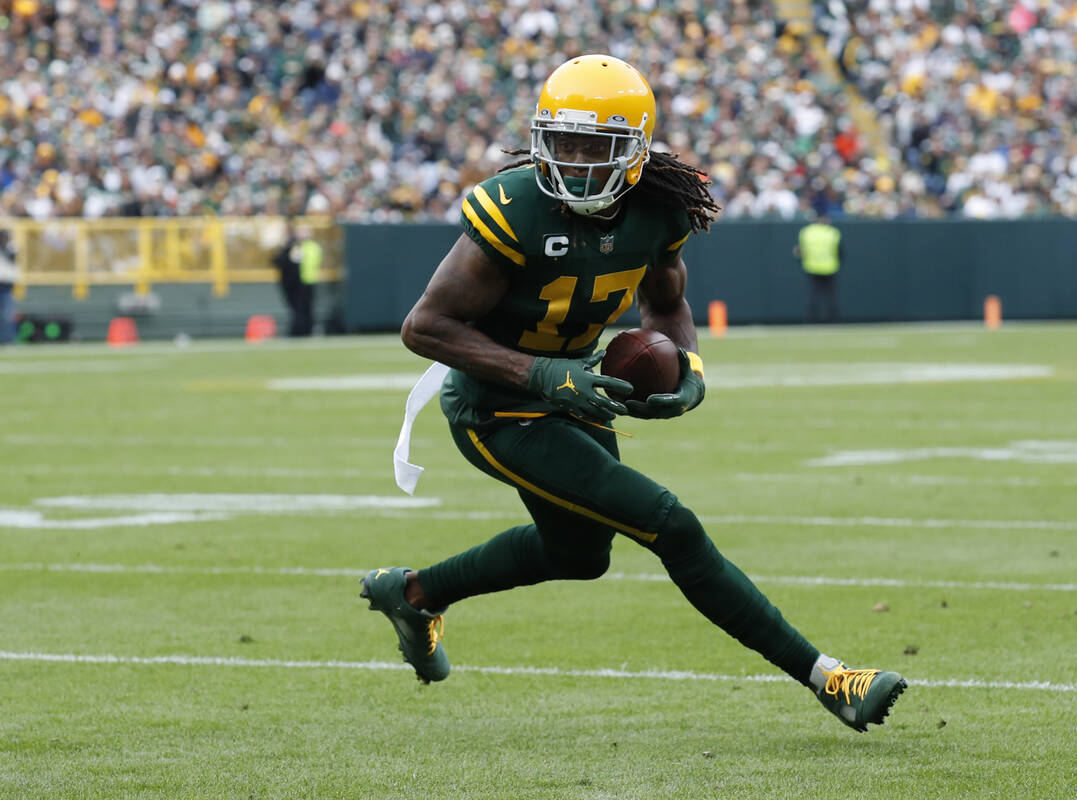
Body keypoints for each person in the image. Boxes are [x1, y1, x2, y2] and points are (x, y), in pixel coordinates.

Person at [361, 54, 906, 732]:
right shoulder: (513, 210)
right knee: (668, 523)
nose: (577, 161)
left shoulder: (658, 207)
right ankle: (832, 681)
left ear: (637, 151)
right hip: (496, 408)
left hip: (575, 388)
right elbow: (425, 327)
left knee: (580, 556)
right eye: (563, 143)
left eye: (597, 146)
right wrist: (540, 375)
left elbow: (666, 303)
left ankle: (414, 595)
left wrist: (689, 367)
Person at [271, 219, 323, 336]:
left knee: (304, 309)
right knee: (300, 309)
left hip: (305, 281)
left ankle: (303, 330)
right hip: (300, 282)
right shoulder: (297, 246)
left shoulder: (304, 247)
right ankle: (302, 330)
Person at [794, 214, 843, 323]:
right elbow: (840, 251)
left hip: (812, 267)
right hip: (830, 267)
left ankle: (811, 319)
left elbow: (798, 251)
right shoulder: (832, 232)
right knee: (831, 296)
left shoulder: (806, 232)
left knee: (813, 295)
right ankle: (833, 320)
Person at [0, 229, 18, 345]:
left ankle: (8, 339)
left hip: (6, 288)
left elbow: (11, 258)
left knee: (8, 315)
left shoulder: (10, 249)